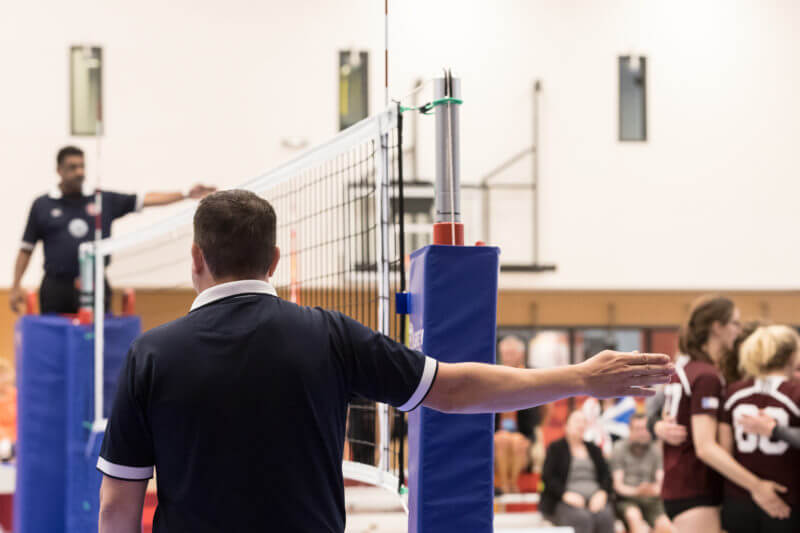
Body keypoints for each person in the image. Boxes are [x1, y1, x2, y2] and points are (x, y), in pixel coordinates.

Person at [95, 189, 675, 533]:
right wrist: (580, 377)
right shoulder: (326, 334)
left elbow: (118, 507)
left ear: (196, 259)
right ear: (274, 258)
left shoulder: (150, 353)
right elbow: (455, 389)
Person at [10, 146, 215, 315]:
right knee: (54, 340)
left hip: (95, 284)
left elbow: (145, 199)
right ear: (59, 170)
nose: (79, 172)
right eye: (72, 167)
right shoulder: (42, 205)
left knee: (94, 341)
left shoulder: (102, 200)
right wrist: (16, 285)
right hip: (55, 286)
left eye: (82, 166)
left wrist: (186, 194)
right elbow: (26, 248)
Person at [658, 295, 789, 533]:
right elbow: (706, 447)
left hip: (680, 485)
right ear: (717, 328)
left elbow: (669, 421)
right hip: (696, 488)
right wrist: (757, 485)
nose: (738, 331)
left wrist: (657, 427)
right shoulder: (706, 375)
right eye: (735, 323)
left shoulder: (686, 370)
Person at [718, 325, 800, 533]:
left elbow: (723, 452)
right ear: (792, 356)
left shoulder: (733, 392)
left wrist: (754, 486)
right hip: (787, 499)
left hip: (738, 499)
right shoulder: (795, 393)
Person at [540, 410, 616, 533]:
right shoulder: (555, 448)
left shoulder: (594, 449)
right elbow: (548, 478)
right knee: (582, 519)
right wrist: (565, 495)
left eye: (583, 422)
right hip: (564, 501)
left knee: (605, 517)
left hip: (595, 500)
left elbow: (606, 476)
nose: (581, 425)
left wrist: (602, 493)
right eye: (577, 421)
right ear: (566, 426)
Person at [494, 336, 542, 493]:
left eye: (511, 353)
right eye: (504, 353)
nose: (507, 357)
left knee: (517, 442)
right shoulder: (494, 374)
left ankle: (512, 483)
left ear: (521, 354)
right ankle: (505, 484)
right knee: (502, 439)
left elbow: (542, 408)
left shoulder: (532, 375)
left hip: (523, 431)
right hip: (498, 432)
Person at [611, 413, 672, 533]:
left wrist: (651, 490)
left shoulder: (656, 450)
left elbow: (661, 483)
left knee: (665, 524)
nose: (642, 432)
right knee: (634, 518)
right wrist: (638, 491)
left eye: (645, 428)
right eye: (638, 429)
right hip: (627, 500)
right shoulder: (619, 448)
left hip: (651, 499)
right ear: (630, 430)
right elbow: (618, 486)